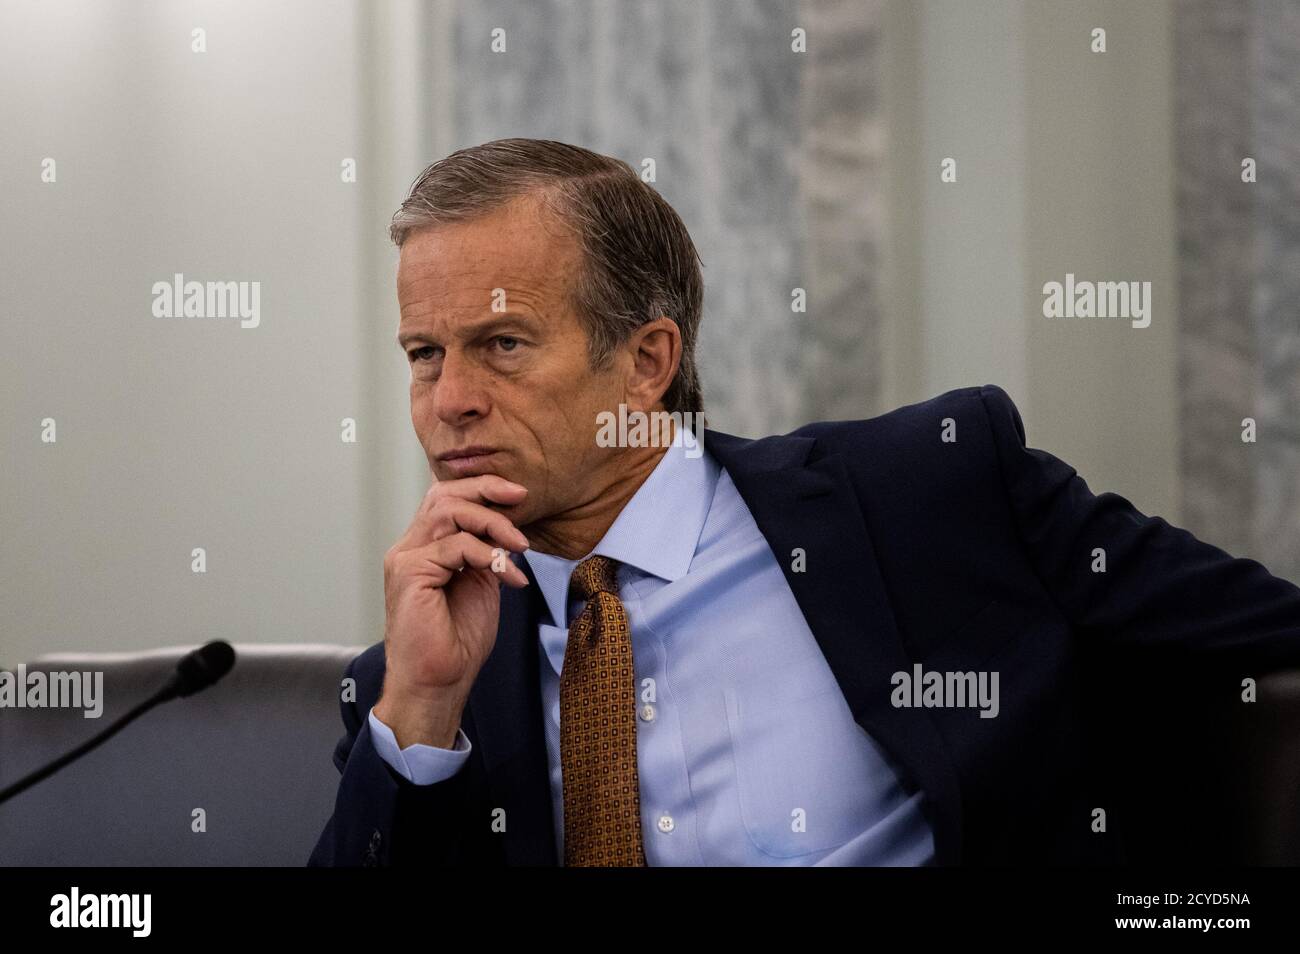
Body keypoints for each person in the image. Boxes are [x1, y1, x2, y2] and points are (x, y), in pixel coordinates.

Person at [309, 138, 1300, 867]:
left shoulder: (927, 494)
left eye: (503, 345)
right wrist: (423, 708)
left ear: (648, 361)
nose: (449, 402)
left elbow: (1261, 629)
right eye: (423, 355)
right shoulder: (417, 678)